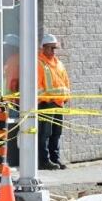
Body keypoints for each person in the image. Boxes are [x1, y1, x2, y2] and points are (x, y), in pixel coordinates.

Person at [37, 34, 71, 170]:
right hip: (47, 103)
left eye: (55, 48)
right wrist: (46, 98)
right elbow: (38, 86)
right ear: (43, 47)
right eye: (51, 48)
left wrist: (67, 96)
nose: (53, 51)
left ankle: (55, 158)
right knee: (45, 133)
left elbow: (66, 81)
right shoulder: (39, 63)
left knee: (56, 133)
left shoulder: (58, 64)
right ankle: (44, 160)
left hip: (59, 103)